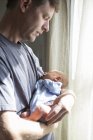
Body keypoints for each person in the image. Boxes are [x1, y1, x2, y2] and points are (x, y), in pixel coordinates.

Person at [0, 0, 75, 140]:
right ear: (25, 4)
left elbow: (50, 86)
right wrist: (52, 126)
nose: (47, 28)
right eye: (45, 18)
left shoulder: (28, 53)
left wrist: (69, 96)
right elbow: (9, 131)